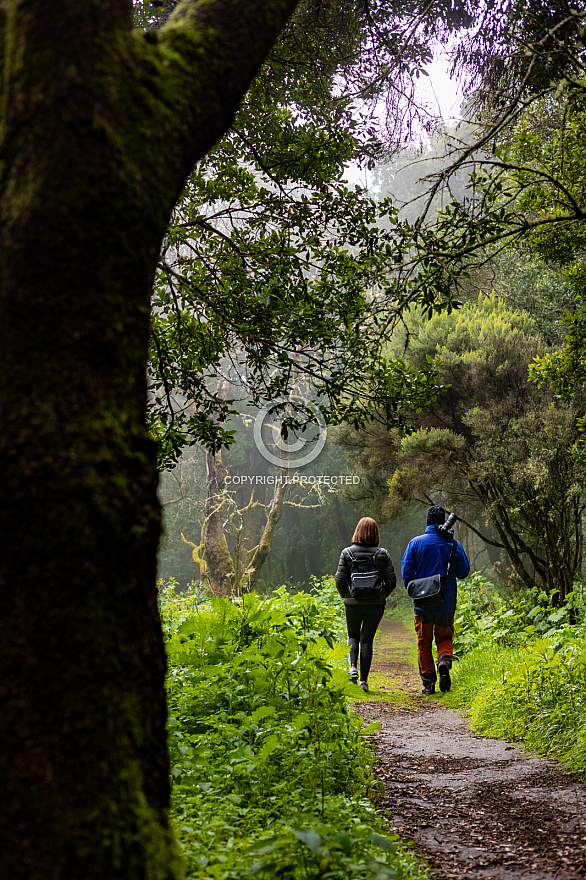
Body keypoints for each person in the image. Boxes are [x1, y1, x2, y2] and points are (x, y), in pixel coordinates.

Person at [402, 505, 470, 695]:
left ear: (427, 522)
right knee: (444, 637)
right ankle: (444, 662)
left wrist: (419, 589)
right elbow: (464, 572)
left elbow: (406, 575)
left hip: (422, 605)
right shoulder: (453, 544)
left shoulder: (415, 543)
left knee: (424, 642)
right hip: (445, 602)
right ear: (444, 521)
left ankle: (429, 684)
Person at [335, 517, 396, 693]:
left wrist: (346, 596)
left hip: (353, 604)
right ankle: (363, 681)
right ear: (376, 533)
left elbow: (339, 580)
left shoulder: (347, 553)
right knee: (366, 640)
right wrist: (380, 595)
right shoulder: (382, 554)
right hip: (375, 604)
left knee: (352, 637)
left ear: (357, 532)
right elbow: (391, 581)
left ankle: (352, 667)